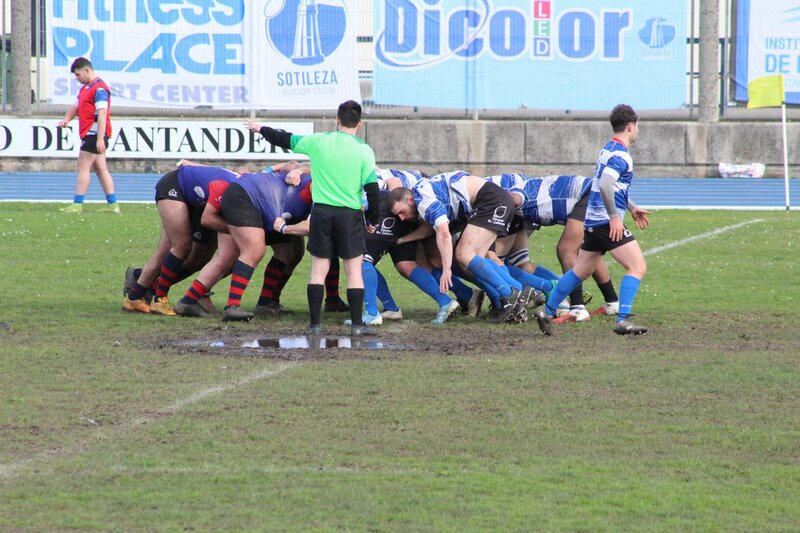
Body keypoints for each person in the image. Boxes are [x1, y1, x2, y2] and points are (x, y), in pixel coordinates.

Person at [245, 100, 381, 336]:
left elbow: (285, 139)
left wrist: (262, 129)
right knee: (354, 271)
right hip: (349, 215)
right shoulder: (364, 150)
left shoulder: (319, 141)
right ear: (359, 123)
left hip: (321, 213)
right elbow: (372, 189)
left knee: (318, 269)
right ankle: (357, 326)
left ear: (337, 120)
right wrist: (372, 219)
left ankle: (315, 326)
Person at [539, 104, 648, 336]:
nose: (638, 130)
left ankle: (546, 312)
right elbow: (606, 185)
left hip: (591, 221)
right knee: (637, 266)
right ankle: (623, 319)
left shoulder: (608, 148)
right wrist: (614, 218)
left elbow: (606, 184)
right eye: (637, 126)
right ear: (630, 126)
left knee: (580, 271)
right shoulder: (621, 156)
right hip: (606, 223)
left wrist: (632, 207)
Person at [389, 171, 533, 324]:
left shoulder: (422, 200)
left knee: (463, 255)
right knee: (476, 260)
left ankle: (509, 295)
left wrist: (447, 270)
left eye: (402, 212)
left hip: (489, 201)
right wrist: (402, 240)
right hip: (493, 199)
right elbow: (430, 229)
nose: (402, 218)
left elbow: (443, 233)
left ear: (410, 200)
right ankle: (519, 293)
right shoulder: (422, 191)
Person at [123, 164, 239, 315]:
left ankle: (135, 295)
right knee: (180, 246)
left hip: (198, 200)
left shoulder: (240, 187)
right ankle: (159, 300)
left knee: (196, 259)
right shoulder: (233, 190)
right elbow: (207, 219)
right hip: (174, 187)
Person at [58, 57, 119, 214]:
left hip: (94, 134)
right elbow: (75, 106)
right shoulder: (85, 88)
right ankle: (113, 205)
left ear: (87, 70)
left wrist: (100, 138)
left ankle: (77, 204)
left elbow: (102, 113)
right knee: (101, 168)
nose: (76, 78)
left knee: (83, 167)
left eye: (78, 74)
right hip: (93, 134)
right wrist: (66, 120)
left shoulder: (99, 89)